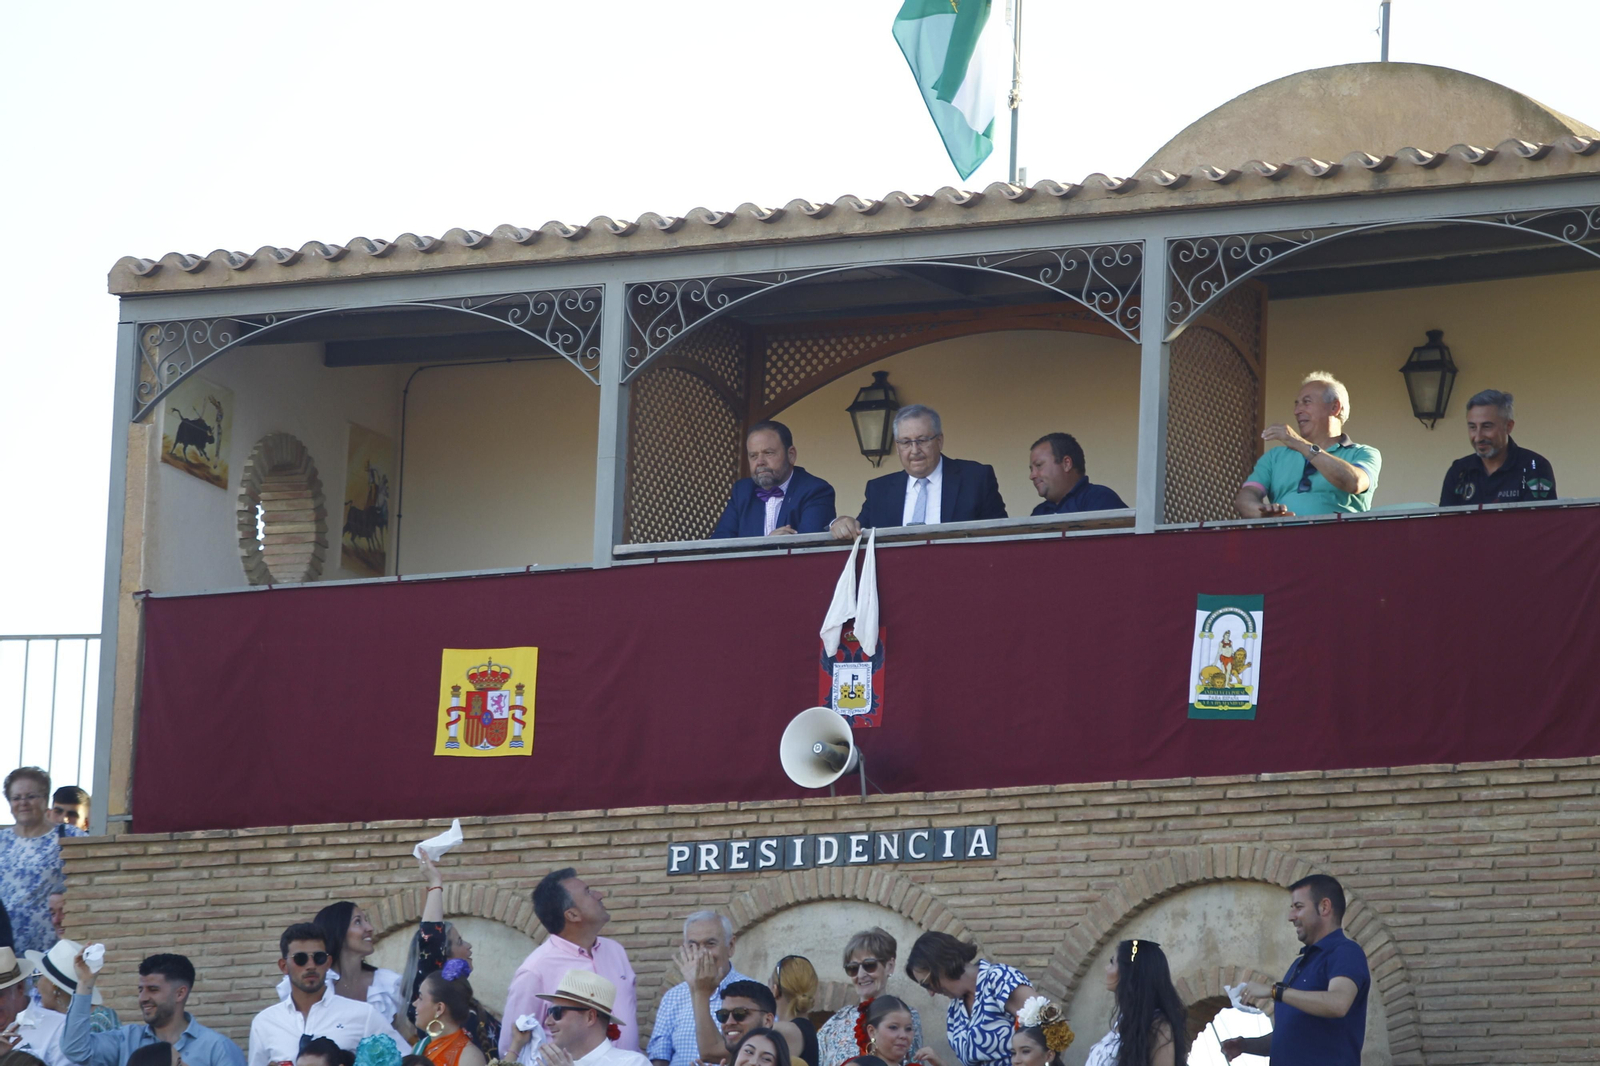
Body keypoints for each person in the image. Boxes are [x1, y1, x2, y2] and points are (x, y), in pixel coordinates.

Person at [1224, 875, 1370, 1066]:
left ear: (1324, 907)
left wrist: (1275, 991)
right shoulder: (1300, 964)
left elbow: (1338, 1003)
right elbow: (1292, 1032)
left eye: (1298, 907)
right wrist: (1245, 1045)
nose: (1291, 917)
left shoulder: (1345, 952)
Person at [501, 869, 637, 1056]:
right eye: (588, 892)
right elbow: (511, 1048)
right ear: (572, 915)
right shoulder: (535, 970)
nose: (600, 895)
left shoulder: (615, 951)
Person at [830, 406, 1005, 539]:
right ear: (898, 448)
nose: (914, 450)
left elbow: (1000, 534)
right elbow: (860, 529)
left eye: (922, 440)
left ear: (939, 441)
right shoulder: (879, 490)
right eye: (906, 442)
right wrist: (842, 523)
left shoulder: (975, 479)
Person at [248, 923, 407, 1066]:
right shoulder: (264, 1023)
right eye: (300, 959)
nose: (311, 966)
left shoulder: (363, 1015)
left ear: (328, 963)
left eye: (319, 958)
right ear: (284, 966)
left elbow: (407, 1060)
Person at [61, 947, 243, 1066]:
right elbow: (76, 1050)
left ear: (180, 993)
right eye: (141, 989)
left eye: (153, 989)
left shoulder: (217, 1048)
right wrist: (85, 984)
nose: (143, 998)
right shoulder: (127, 1040)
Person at [1236, 373, 1380, 518]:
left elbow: (1354, 482)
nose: (1296, 411)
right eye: (1296, 403)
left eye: (1306, 402)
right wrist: (1262, 513)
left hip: (1339, 537)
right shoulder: (1275, 457)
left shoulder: (1362, 453)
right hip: (1283, 537)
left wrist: (1299, 443)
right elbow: (1246, 497)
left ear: (1334, 407)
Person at [407, 857, 499, 1056]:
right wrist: (435, 884)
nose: (469, 946)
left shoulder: (470, 1006)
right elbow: (431, 938)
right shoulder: (430, 997)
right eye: (459, 942)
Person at [271, 902, 406, 1034]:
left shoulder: (386, 984)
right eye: (358, 922)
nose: (369, 928)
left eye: (366, 921)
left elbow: (402, 1038)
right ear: (337, 930)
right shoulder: (313, 982)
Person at [904, 932, 1035, 1066]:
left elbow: (1047, 1030)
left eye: (927, 983)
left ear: (940, 964)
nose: (931, 993)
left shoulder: (999, 980)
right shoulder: (954, 1011)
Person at [646, 912, 752, 1066]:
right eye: (693, 946)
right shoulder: (673, 997)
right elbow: (659, 1057)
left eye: (710, 944)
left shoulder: (753, 993)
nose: (702, 953)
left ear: (730, 946)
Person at [0, 768, 85, 955]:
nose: (23, 803)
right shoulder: (1, 841)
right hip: (7, 955)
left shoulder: (70, 836)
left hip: (53, 954)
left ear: (45, 799)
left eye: (31, 796)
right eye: (16, 798)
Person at [816, 929, 923, 1066]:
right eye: (853, 968)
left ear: (889, 966)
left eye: (869, 965)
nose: (861, 974)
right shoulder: (836, 1022)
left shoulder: (909, 1018)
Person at [711, 422, 837, 538]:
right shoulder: (742, 491)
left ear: (791, 455)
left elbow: (810, 547)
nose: (760, 462)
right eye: (753, 456)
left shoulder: (816, 490)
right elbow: (719, 545)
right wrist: (766, 544)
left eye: (768, 453)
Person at [1439, 389, 1556, 506]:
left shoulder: (1535, 467)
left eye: (1487, 426)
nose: (1478, 437)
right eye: (1472, 427)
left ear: (1508, 426)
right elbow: (1444, 522)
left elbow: (1540, 521)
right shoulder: (1459, 472)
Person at [1078, 941, 1185, 1066]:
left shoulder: (1159, 1026)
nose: (1106, 968)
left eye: (1112, 962)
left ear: (1129, 972)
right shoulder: (1124, 1021)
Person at [535, 971, 649, 1066]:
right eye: (548, 1012)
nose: (547, 1022)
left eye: (557, 1012)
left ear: (590, 1017)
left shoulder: (632, 1063)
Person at [25, 938, 118, 1038]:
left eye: (39, 977)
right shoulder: (45, 1020)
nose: (36, 985)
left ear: (54, 986)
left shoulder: (99, 1019)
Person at [1027, 434, 1126, 515]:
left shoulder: (1099, 499)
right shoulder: (1039, 512)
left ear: (1067, 464)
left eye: (1039, 465)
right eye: (1031, 469)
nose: (1032, 476)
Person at [837, 996, 940, 1066]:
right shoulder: (857, 1064)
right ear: (872, 1031)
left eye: (908, 1029)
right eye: (893, 1027)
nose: (903, 1035)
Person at [410, 972, 486, 1066]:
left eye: (421, 998)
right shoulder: (419, 1048)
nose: (414, 1004)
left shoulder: (469, 1058)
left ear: (439, 1008)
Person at [767, 957, 818, 1066]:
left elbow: (724, 1049)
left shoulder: (780, 1031)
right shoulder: (808, 1029)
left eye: (769, 984)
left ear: (775, 990)